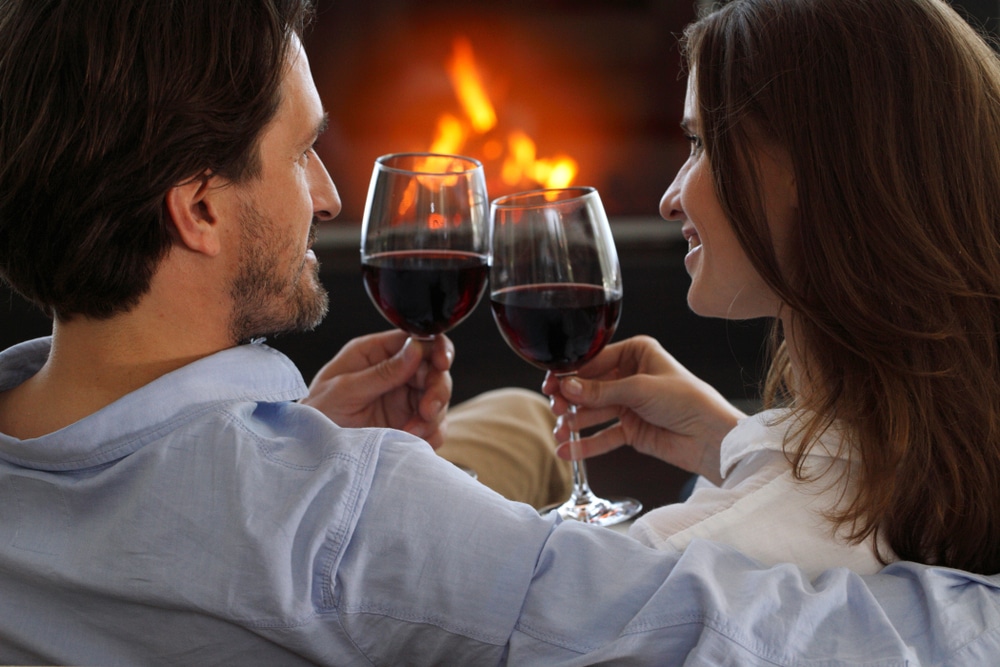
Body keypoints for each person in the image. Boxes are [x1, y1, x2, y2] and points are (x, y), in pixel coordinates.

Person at [0, 0, 998, 664]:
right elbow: (706, 626)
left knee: (519, 417)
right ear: (200, 210)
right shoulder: (349, 524)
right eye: (302, 151)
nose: (331, 193)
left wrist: (299, 435)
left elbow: (182, 516)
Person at [546, 0, 1000, 578]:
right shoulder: (949, 469)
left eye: (701, 144)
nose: (669, 199)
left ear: (817, 170)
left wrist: (394, 456)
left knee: (514, 423)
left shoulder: (687, 557)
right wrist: (731, 442)